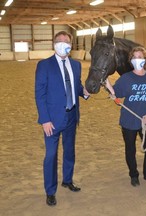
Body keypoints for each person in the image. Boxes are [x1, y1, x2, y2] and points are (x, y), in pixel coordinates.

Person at [35, 31, 90, 206]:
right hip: (52, 119)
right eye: (59, 41)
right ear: (54, 43)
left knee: (69, 151)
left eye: (67, 41)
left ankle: (67, 180)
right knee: (51, 155)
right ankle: (50, 190)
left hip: (71, 115)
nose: (63, 44)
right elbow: (40, 94)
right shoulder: (44, 65)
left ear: (71, 45)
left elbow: (77, 86)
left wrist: (85, 93)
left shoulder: (76, 64)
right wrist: (44, 119)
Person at [105, 46, 146, 187]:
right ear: (131, 60)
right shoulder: (126, 78)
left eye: (140, 57)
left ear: (145, 60)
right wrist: (105, 81)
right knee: (130, 149)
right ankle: (133, 175)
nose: (138, 60)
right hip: (129, 120)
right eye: (135, 57)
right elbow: (115, 93)